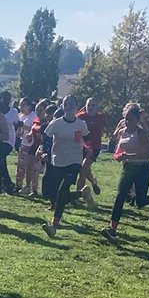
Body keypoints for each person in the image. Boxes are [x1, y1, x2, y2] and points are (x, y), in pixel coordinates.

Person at [101, 103, 149, 240]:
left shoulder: (141, 133)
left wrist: (129, 156)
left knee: (140, 202)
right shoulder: (122, 132)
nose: (127, 122)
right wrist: (118, 157)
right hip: (128, 168)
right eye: (126, 119)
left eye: (131, 119)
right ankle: (112, 229)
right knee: (120, 196)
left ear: (137, 119)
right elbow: (117, 152)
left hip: (143, 168)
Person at [41, 94, 88, 238]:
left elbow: (86, 139)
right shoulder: (56, 124)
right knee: (60, 195)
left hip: (74, 161)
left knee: (62, 192)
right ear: (62, 106)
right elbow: (46, 138)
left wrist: (88, 150)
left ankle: (54, 225)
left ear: (76, 106)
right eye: (66, 104)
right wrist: (44, 152)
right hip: (58, 161)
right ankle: (81, 194)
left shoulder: (81, 124)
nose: (68, 106)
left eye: (71, 103)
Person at [75, 97, 106, 204]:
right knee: (85, 170)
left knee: (83, 170)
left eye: (93, 105)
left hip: (95, 148)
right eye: (88, 105)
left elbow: (105, 129)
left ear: (97, 107)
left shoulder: (101, 117)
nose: (91, 107)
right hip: (81, 146)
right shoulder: (81, 116)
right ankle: (93, 182)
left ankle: (77, 196)